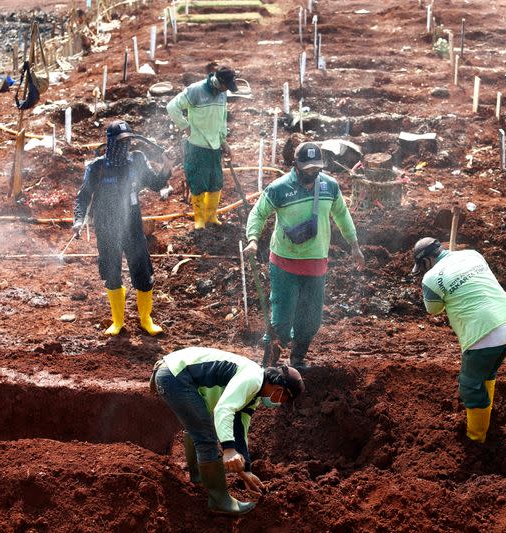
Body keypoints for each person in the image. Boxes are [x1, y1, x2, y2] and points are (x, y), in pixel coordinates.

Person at [244, 142, 364, 369]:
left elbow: (342, 216)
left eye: (316, 168)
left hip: (316, 264)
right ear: (295, 165)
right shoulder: (278, 189)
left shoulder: (330, 186)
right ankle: (267, 365)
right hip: (284, 264)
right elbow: (258, 214)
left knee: (310, 320)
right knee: (281, 320)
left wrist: (354, 246)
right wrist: (253, 240)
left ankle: (297, 359)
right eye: (307, 168)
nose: (312, 172)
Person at [151, 347, 305, 515]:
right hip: (176, 376)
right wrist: (229, 450)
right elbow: (223, 409)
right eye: (284, 399)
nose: (280, 404)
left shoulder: (254, 393)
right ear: (279, 390)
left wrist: (246, 470)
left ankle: (199, 478)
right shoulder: (253, 378)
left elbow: (240, 428)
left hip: (174, 373)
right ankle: (219, 501)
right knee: (206, 436)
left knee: (199, 428)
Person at [412, 237, 506, 443]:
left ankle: (477, 439)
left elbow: (433, 310)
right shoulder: (472, 254)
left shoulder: (431, 277)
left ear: (426, 261)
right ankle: (487, 420)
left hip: (483, 333)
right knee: (486, 372)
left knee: (470, 385)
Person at [72, 120, 170, 337]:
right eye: (120, 142)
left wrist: (166, 166)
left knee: (143, 273)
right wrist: (78, 220)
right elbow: (83, 197)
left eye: (127, 141)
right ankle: (118, 322)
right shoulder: (97, 167)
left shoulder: (136, 161)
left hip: (132, 225)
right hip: (106, 226)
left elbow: (155, 184)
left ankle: (146, 320)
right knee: (111, 272)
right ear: (110, 142)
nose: (124, 146)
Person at [166, 65, 237, 229]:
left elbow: (222, 118)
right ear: (218, 81)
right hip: (197, 145)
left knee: (215, 182)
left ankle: (211, 217)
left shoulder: (222, 94)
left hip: (215, 145)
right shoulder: (195, 90)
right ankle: (199, 219)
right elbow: (172, 107)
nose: (226, 90)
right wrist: (185, 126)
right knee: (198, 182)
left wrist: (223, 141)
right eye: (226, 86)